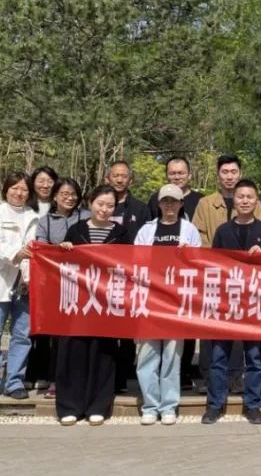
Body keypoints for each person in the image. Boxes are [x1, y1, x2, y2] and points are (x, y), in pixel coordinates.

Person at [206, 179, 261, 425]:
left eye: (249, 197)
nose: (245, 201)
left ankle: (253, 405)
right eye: (240, 197)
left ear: (256, 201)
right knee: (219, 357)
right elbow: (213, 264)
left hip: (255, 303)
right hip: (226, 302)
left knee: (254, 358)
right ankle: (215, 404)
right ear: (234, 201)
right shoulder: (223, 231)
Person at [56, 184, 129, 426]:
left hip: (106, 302)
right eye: (100, 204)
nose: (104, 209)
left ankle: (98, 405)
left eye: (110, 205)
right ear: (90, 203)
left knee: (103, 352)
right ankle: (70, 405)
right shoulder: (76, 230)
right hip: (78, 301)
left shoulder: (121, 233)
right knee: (74, 350)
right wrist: (64, 249)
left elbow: (129, 264)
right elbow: (61, 262)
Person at [190, 154, 261, 393]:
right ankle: (209, 378)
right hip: (213, 274)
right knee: (209, 326)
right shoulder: (205, 203)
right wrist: (215, 261)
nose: (229, 176)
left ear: (239, 174)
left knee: (239, 327)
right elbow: (199, 237)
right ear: (218, 175)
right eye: (225, 172)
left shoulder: (253, 201)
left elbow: (259, 233)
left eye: (233, 172)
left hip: (244, 277)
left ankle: (235, 376)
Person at [134, 184, 201, 425]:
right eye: (165, 201)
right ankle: (150, 405)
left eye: (174, 201)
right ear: (159, 204)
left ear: (181, 203)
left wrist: (188, 254)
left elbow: (199, 264)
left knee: (172, 355)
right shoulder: (146, 230)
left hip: (175, 301)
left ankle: (169, 405)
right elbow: (135, 262)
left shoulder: (190, 230)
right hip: (150, 299)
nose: (170, 205)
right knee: (147, 355)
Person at [0, 171, 39, 404]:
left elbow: (36, 251)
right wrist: (16, 254)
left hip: (24, 284)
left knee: (22, 335)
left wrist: (29, 276)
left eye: (24, 189)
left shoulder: (33, 216)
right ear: (6, 190)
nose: (19, 193)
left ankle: (14, 381)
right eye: (15, 188)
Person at [32, 177, 89, 399]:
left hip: (84, 285)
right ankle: (56, 380)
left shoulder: (86, 217)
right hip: (56, 285)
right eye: (64, 194)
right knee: (58, 336)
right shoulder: (45, 221)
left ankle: (80, 379)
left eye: (73, 194)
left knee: (81, 334)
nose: (69, 198)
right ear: (54, 196)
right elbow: (42, 250)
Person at [105, 160, 149, 392]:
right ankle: (107, 375)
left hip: (132, 275)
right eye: (116, 175)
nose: (120, 179)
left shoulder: (141, 209)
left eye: (124, 176)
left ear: (130, 180)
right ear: (108, 178)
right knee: (108, 326)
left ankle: (123, 376)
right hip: (104, 276)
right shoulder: (100, 205)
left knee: (129, 327)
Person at [27, 165, 60, 391]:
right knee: (28, 327)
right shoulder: (26, 207)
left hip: (53, 275)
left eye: (49, 181)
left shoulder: (61, 208)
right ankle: (30, 371)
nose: (45, 185)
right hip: (28, 271)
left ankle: (47, 372)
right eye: (40, 180)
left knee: (50, 328)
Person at [147, 156, 201, 222]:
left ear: (189, 176)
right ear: (166, 176)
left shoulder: (201, 201)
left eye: (181, 173)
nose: (177, 177)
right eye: (172, 173)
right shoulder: (156, 199)